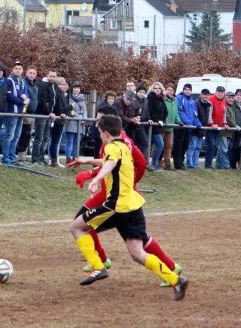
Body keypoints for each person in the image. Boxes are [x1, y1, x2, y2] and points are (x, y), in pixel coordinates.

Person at [68, 114, 188, 300]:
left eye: (100, 132)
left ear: (106, 133)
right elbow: (109, 161)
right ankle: (175, 279)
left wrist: (97, 180)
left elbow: (110, 163)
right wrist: (87, 162)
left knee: (76, 227)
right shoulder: (123, 145)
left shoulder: (111, 147)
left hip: (116, 206)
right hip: (133, 206)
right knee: (137, 252)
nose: (99, 135)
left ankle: (98, 267)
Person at [2, 61, 29, 165]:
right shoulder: (9, 81)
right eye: (16, 68)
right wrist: (22, 101)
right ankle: (5, 157)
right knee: (9, 135)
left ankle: (13, 157)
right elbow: (9, 96)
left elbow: (25, 93)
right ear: (13, 70)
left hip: (20, 113)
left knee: (16, 136)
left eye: (20, 69)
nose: (18, 70)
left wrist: (27, 99)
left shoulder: (22, 81)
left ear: (22, 71)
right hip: (11, 112)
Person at [32, 71, 58, 165]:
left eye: (54, 76)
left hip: (49, 115)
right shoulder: (44, 85)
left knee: (46, 138)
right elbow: (42, 101)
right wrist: (49, 112)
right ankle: (35, 159)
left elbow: (52, 101)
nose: (52, 77)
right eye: (51, 76)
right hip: (42, 114)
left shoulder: (53, 86)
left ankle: (41, 159)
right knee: (39, 138)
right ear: (47, 76)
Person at [175, 83, 201, 170]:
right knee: (178, 145)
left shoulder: (192, 101)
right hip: (181, 126)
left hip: (188, 128)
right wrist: (187, 122)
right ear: (183, 90)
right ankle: (177, 164)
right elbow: (179, 111)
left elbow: (195, 114)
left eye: (189, 89)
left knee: (185, 146)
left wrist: (197, 122)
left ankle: (181, 162)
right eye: (186, 89)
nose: (187, 91)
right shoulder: (179, 98)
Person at [17, 66, 39, 166]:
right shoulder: (23, 82)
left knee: (29, 135)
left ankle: (24, 157)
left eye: (34, 73)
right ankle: (21, 157)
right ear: (26, 73)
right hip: (26, 112)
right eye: (30, 73)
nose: (32, 75)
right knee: (25, 134)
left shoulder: (36, 85)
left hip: (33, 113)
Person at [187, 89, 212, 169]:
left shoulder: (208, 104)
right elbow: (194, 116)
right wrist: (198, 124)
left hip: (202, 129)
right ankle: (189, 163)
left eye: (207, 94)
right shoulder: (196, 103)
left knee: (198, 148)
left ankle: (195, 164)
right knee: (192, 147)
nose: (206, 96)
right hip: (195, 128)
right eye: (204, 94)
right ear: (200, 95)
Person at [159, 84, 182, 170]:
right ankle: (158, 162)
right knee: (159, 145)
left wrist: (179, 121)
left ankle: (167, 163)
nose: (170, 91)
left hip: (171, 127)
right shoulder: (162, 99)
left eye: (172, 90)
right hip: (162, 126)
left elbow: (176, 113)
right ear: (165, 90)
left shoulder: (175, 101)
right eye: (168, 89)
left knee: (169, 145)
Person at [49, 77, 70, 167]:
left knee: (54, 141)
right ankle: (53, 160)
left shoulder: (62, 94)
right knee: (55, 141)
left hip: (59, 120)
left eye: (64, 84)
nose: (63, 86)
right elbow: (60, 109)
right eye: (62, 84)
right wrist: (70, 107)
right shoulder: (58, 94)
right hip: (57, 121)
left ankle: (54, 160)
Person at [64, 81, 87, 166]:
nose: (77, 89)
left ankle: (75, 159)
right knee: (70, 142)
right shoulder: (69, 98)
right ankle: (68, 159)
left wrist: (84, 118)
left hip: (80, 123)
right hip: (71, 122)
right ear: (72, 89)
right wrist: (79, 117)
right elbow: (69, 110)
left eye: (78, 88)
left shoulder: (83, 99)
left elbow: (85, 110)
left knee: (77, 143)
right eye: (75, 88)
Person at [146, 82, 167, 171]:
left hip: (159, 125)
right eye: (155, 88)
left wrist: (162, 120)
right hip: (152, 125)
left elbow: (165, 111)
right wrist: (156, 120)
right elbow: (150, 110)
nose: (157, 89)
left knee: (156, 145)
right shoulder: (150, 97)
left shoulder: (161, 99)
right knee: (159, 144)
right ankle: (152, 164)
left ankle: (154, 164)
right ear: (152, 89)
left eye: (159, 88)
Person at [206, 86, 227, 169]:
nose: (220, 93)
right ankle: (208, 165)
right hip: (211, 128)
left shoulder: (224, 101)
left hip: (219, 127)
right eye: (219, 92)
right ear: (215, 92)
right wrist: (211, 124)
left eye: (222, 92)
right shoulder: (211, 99)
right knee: (211, 145)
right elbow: (209, 113)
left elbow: (224, 113)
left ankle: (210, 164)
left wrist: (224, 123)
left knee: (215, 146)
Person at [92, 90, 117, 158]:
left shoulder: (114, 107)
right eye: (109, 98)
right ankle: (96, 166)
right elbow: (98, 119)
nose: (111, 100)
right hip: (99, 131)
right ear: (106, 98)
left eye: (112, 99)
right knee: (98, 149)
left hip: (107, 131)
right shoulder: (102, 106)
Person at [230, 89, 241, 169]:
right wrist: (235, 126)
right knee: (232, 148)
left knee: (239, 148)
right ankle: (232, 164)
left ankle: (237, 164)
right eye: (237, 95)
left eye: (240, 95)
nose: (239, 97)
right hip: (233, 129)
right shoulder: (232, 105)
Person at [221, 91, 238, 170]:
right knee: (224, 149)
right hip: (224, 129)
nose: (231, 99)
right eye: (229, 97)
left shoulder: (232, 106)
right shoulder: (224, 105)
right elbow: (228, 118)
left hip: (229, 131)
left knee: (223, 149)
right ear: (225, 97)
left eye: (232, 98)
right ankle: (226, 165)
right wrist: (235, 126)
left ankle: (218, 164)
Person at [133, 85, 149, 157]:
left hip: (142, 125)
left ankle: (143, 161)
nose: (142, 94)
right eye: (140, 92)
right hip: (133, 125)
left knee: (144, 143)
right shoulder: (133, 101)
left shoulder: (146, 101)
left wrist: (149, 118)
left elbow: (147, 112)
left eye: (144, 92)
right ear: (137, 92)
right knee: (135, 144)